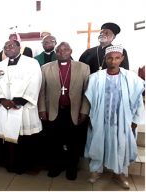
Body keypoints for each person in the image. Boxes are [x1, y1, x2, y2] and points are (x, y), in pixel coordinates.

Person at [84, 45, 144, 189]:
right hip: (100, 119)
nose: (113, 61)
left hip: (122, 121)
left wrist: (135, 120)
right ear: (105, 59)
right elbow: (89, 100)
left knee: (121, 146)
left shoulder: (131, 78)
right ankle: (96, 170)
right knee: (98, 143)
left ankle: (120, 173)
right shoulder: (95, 78)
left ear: (122, 59)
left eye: (117, 58)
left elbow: (138, 101)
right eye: (110, 58)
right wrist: (90, 117)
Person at [0, 39, 42, 174]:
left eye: (11, 46)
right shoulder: (0, 65)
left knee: (24, 138)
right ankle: (9, 163)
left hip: (23, 107)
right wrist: (1, 99)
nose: (8, 48)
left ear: (20, 47)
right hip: (4, 107)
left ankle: (25, 166)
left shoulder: (31, 63)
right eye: (5, 47)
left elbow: (36, 82)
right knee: (7, 136)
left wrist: (19, 101)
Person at [38, 42, 90, 180]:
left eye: (65, 50)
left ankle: (72, 168)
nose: (62, 52)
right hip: (53, 111)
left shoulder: (83, 68)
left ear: (70, 51)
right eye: (59, 50)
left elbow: (87, 92)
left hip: (74, 111)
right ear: (56, 52)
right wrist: (42, 109)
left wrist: (84, 111)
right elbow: (41, 91)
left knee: (74, 142)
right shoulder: (45, 68)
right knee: (54, 141)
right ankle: (56, 166)